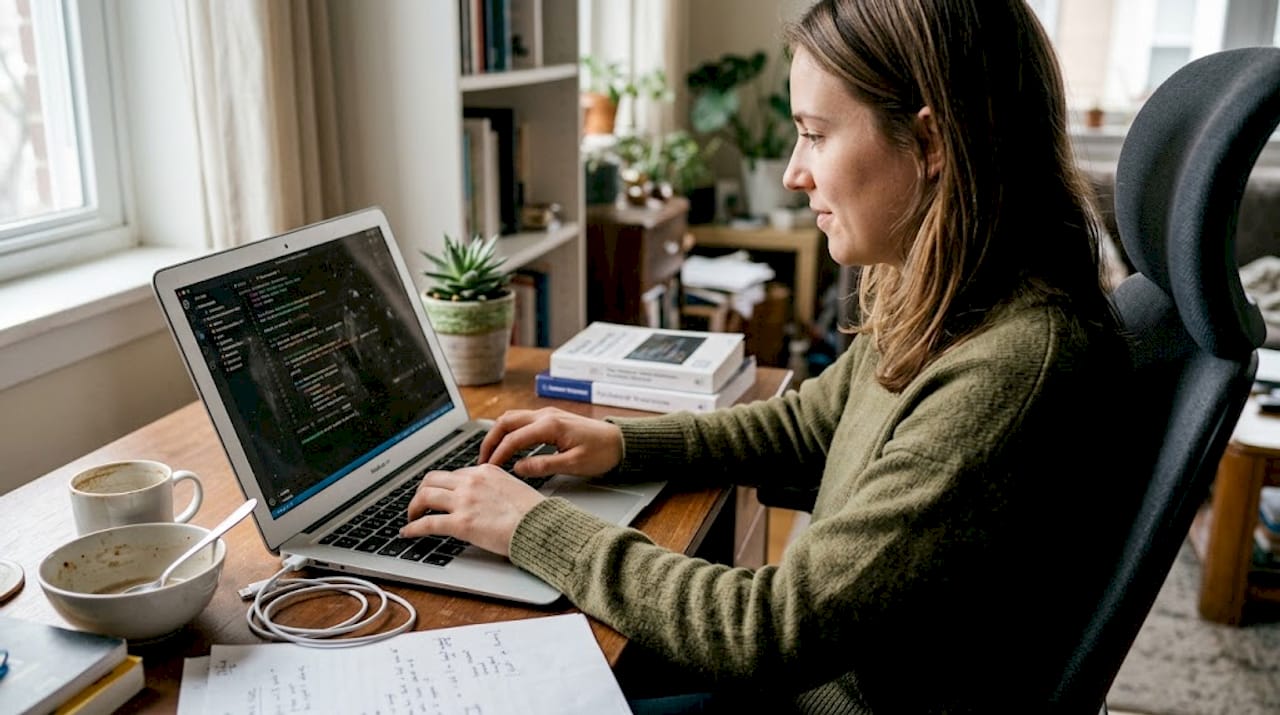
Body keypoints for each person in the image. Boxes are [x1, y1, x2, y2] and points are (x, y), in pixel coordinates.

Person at [402, 0, 1136, 711]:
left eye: (815, 134)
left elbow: (770, 627)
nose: (793, 171)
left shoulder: (1012, 367)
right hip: (814, 675)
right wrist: (620, 443)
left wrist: (533, 526)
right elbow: (814, 422)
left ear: (932, 143)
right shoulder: (952, 285)